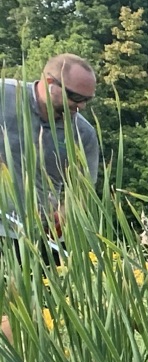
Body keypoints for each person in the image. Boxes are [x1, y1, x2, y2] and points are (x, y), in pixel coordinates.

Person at [0, 53, 101, 258]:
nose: (81, 106)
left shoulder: (83, 134)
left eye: (87, 100)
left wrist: (64, 214)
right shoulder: (4, 94)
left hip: (41, 239)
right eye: (76, 97)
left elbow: (84, 190)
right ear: (49, 83)